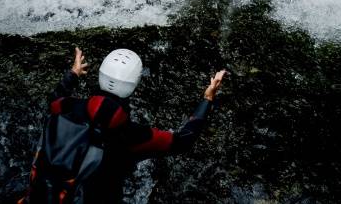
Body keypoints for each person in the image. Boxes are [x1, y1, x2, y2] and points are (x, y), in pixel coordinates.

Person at [22, 47, 226, 203]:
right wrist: (207, 99)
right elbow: (183, 141)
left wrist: (73, 73)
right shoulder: (132, 136)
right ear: (133, 85)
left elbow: (54, 99)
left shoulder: (65, 108)